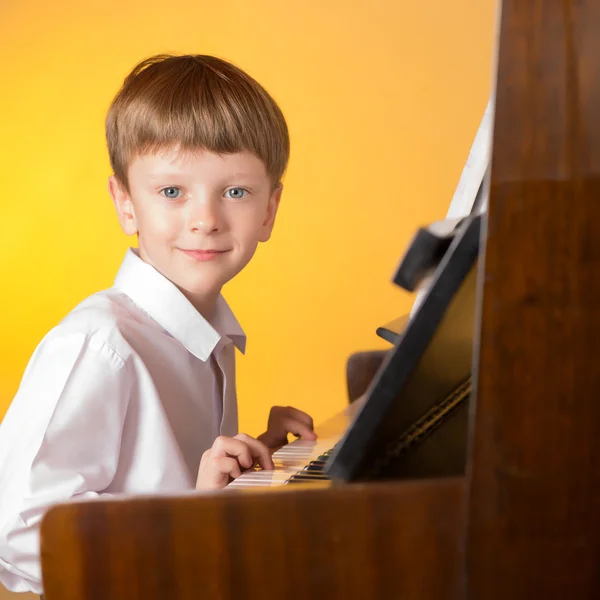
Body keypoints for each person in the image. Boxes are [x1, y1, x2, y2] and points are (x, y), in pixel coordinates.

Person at [0, 53, 316, 595]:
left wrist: (252, 468)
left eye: (235, 192)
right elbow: (18, 533)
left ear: (269, 210)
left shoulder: (205, 334)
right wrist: (191, 517)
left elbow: (176, 489)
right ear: (125, 203)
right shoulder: (101, 344)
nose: (206, 218)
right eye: (172, 192)